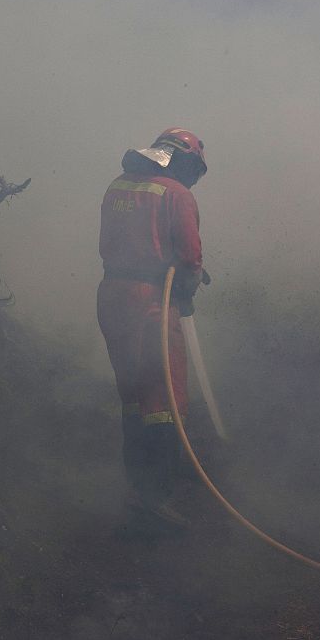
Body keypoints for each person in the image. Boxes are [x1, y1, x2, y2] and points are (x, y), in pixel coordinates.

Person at [97, 128, 208, 525]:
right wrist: (188, 282)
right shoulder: (177, 194)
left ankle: (137, 489)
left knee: (132, 395)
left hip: (111, 295)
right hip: (150, 302)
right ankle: (156, 499)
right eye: (193, 167)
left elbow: (125, 238)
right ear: (180, 160)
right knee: (164, 400)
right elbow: (190, 256)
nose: (192, 175)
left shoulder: (118, 185)